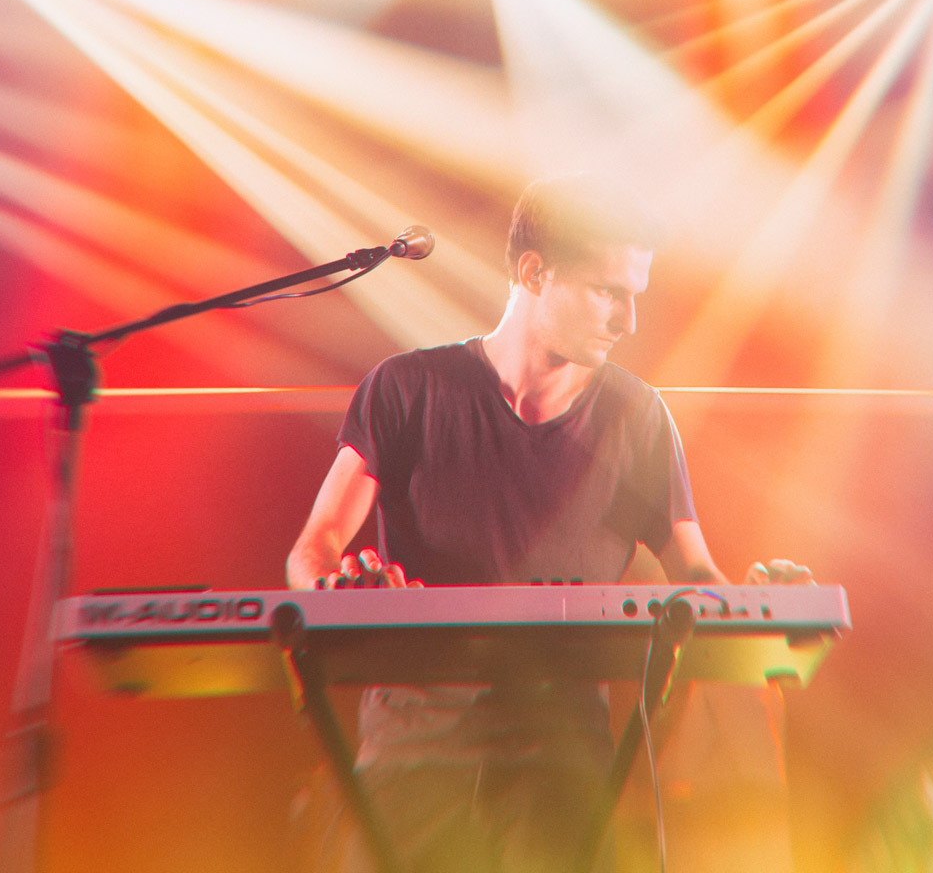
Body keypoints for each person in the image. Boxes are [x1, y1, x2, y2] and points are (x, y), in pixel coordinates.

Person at [286, 175, 809, 872]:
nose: (628, 320)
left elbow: (696, 577)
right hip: (414, 756)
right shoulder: (407, 389)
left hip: (561, 766)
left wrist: (762, 606)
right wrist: (336, 590)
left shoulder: (638, 418)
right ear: (534, 272)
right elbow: (314, 548)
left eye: (635, 296)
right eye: (608, 292)